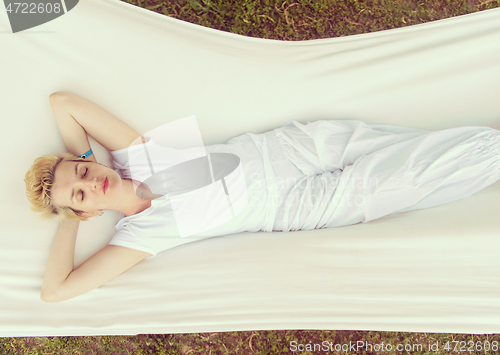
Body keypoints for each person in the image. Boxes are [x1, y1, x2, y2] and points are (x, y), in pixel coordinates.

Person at [24, 91, 500, 303]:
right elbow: (55, 292)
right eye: (83, 194)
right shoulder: (139, 236)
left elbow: (62, 103)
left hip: (292, 147)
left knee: (408, 144)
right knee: (410, 174)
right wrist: (69, 214)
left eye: (85, 171)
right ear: (86, 211)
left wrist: (78, 162)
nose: (92, 181)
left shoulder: (136, 155)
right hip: (298, 205)